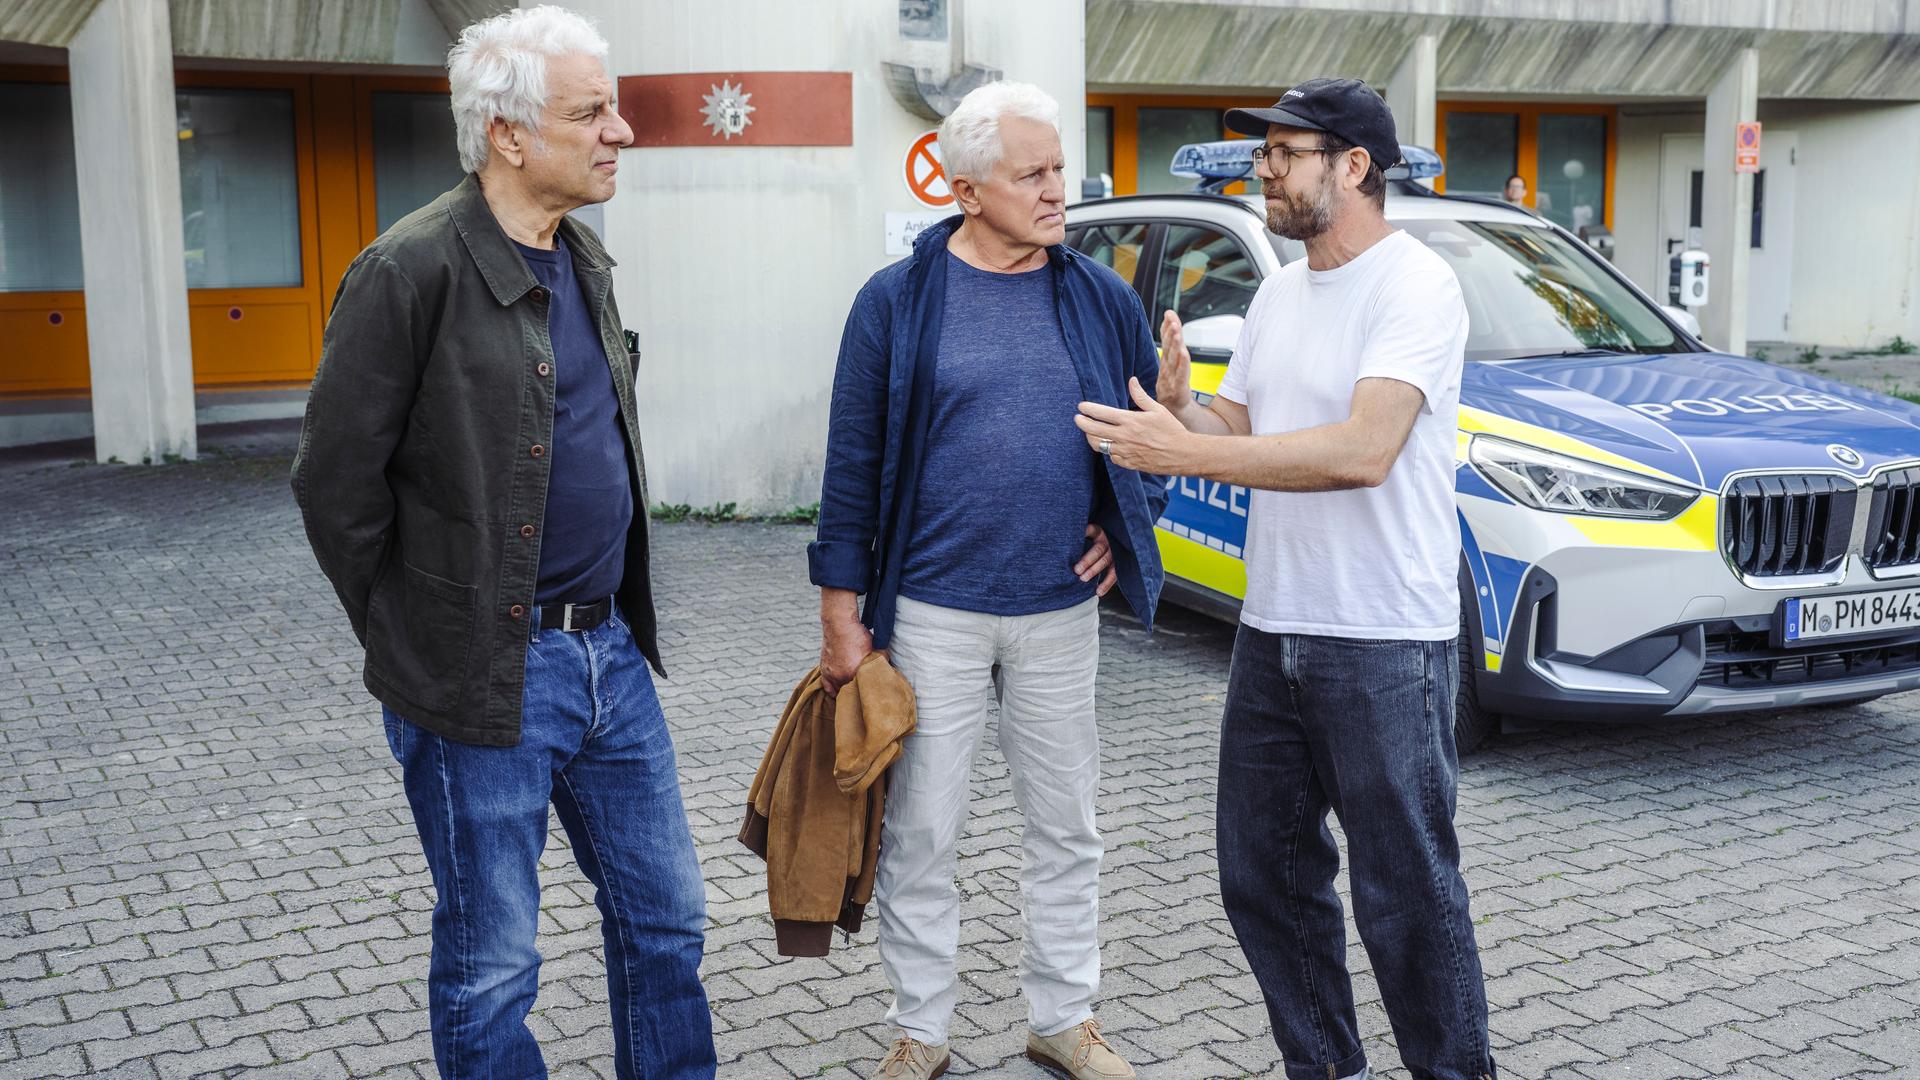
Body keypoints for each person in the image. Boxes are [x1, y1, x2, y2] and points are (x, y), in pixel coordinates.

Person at [290, 7, 715, 1077]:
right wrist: (423, 640)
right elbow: (336, 486)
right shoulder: (408, 271)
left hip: (610, 658)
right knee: (493, 965)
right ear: (509, 135)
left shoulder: (584, 254)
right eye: (592, 111)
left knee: (666, 924)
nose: (621, 130)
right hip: (483, 676)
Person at [1072, 77, 1497, 1080]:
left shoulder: (1416, 285)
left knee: (1407, 895)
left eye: (1282, 153)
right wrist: (1182, 412)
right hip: (1273, 634)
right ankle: (1328, 1067)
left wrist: (1177, 454)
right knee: (1264, 876)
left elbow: (1361, 449)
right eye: (1263, 153)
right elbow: (1242, 427)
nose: (1262, 168)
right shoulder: (1280, 289)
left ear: (1353, 167)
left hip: (1386, 642)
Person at [809, 80, 1166, 1080]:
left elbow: (1148, 440)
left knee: (1068, 826)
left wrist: (1126, 518)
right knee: (923, 831)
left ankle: (1064, 1018)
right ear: (969, 190)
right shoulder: (896, 303)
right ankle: (920, 1028)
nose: (1059, 190)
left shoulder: (1099, 295)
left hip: (1059, 612)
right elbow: (851, 468)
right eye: (1034, 174)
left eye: (1060, 169)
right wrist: (843, 617)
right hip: (930, 616)